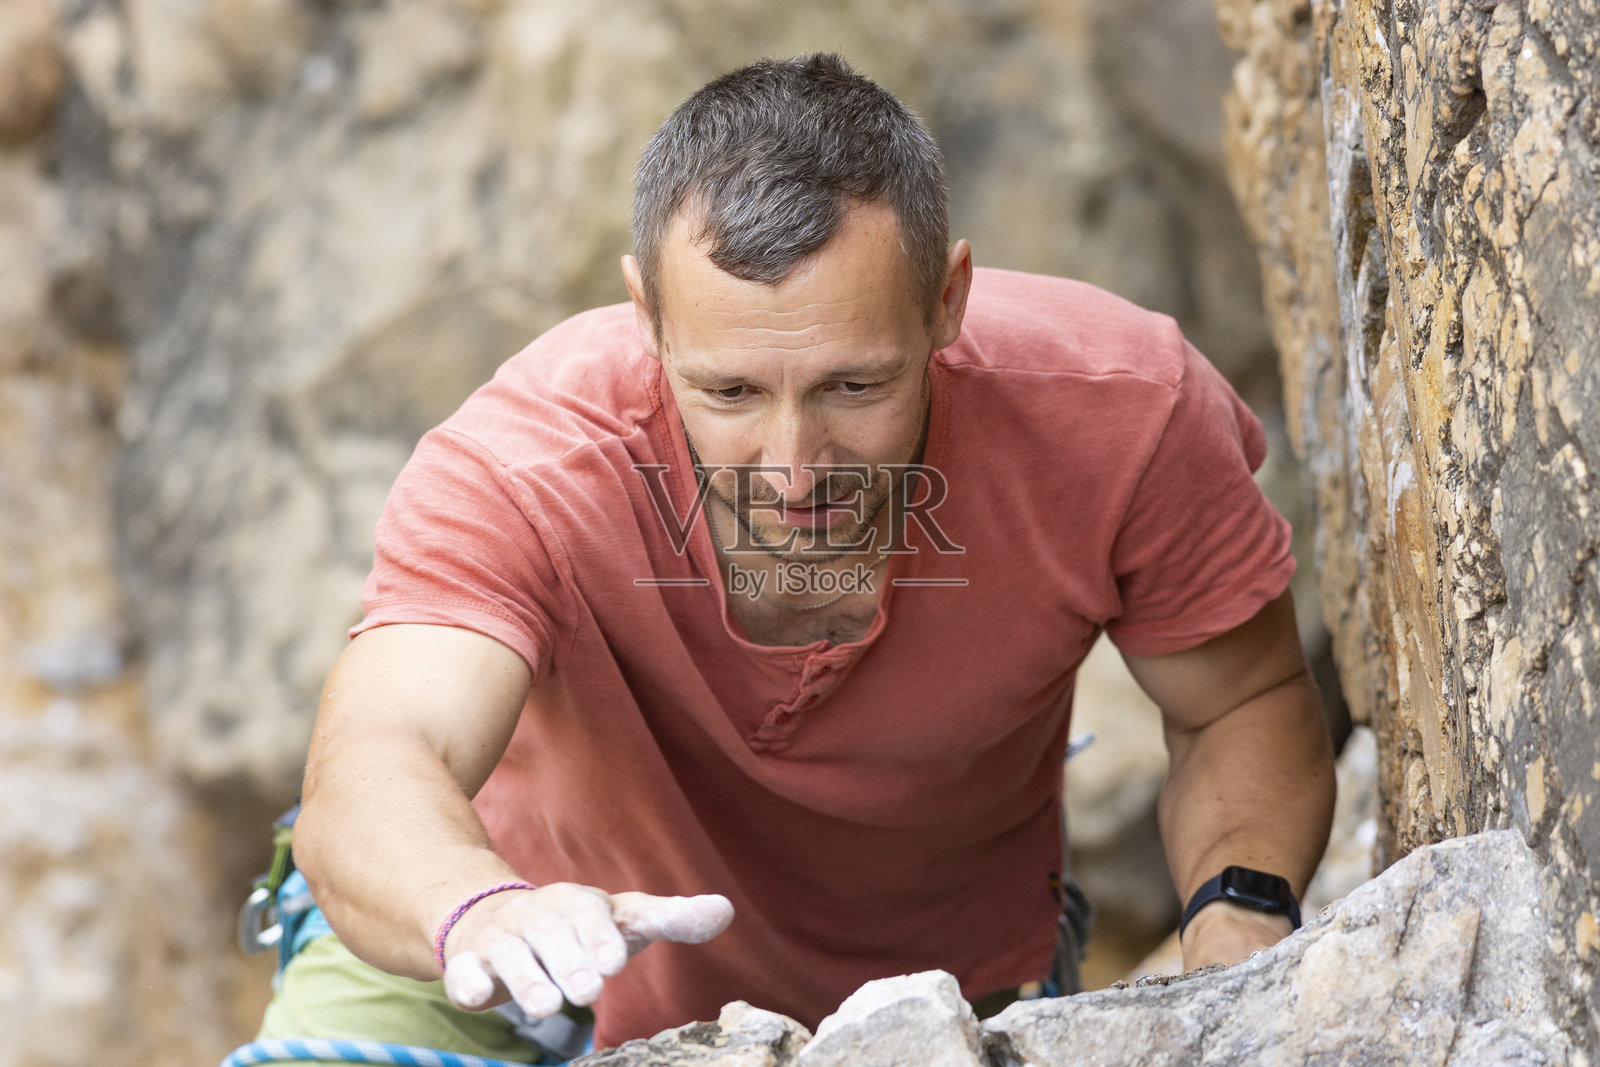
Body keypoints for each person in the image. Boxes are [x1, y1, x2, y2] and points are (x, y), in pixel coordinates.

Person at [258, 52, 1335, 1061]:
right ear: (648, 318)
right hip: (492, 930)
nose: (792, 468)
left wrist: (1237, 912)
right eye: (729, 392)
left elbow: (1235, 702)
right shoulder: (525, 467)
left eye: (853, 386)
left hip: (935, 982)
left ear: (947, 300)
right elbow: (378, 756)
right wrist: (482, 909)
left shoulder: (1122, 415)